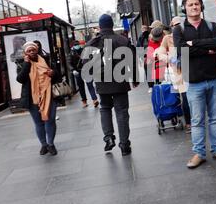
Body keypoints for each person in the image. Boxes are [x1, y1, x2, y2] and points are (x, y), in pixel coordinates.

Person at [173, 0, 216, 169]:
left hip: (215, 79)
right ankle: (199, 153)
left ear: (201, 6)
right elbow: (181, 52)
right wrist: (206, 48)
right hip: (194, 82)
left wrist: (194, 44)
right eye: (190, 4)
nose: (194, 7)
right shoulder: (179, 30)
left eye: (197, 4)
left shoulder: (211, 25)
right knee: (198, 119)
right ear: (185, 8)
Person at [84, 14, 139, 156]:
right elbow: (132, 61)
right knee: (122, 112)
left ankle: (108, 137)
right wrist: (135, 78)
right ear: (112, 25)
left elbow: (86, 65)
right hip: (120, 81)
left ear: (100, 26)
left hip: (102, 82)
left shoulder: (92, 43)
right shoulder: (122, 40)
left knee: (105, 108)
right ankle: (125, 144)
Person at [16, 41, 59, 156]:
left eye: (33, 50)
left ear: (37, 50)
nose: (31, 52)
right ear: (25, 52)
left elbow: (58, 76)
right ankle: (43, 145)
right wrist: (26, 64)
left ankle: (50, 144)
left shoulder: (46, 60)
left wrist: (53, 73)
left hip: (49, 95)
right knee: (39, 123)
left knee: (50, 120)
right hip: (32, 98)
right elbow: (20, 79)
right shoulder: (21, 63)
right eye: (29, 51)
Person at [155, 16, 191, 132]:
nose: (177, 27)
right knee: (185, 97)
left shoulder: (189, 34)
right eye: (175, 25)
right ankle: (189, 122)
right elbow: (159, 52)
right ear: (171, 26)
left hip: (194, 69)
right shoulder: (168, 38)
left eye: (179, 24)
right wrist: (169, 58)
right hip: (180, 72)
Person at [68, 40, 99, 108]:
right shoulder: (71, 53)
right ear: (73, 46)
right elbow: (69, 63)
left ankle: (94, 100)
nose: (77, 46)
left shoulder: (84, 51)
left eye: (78, 44)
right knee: (81, 87)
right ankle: (84, 101)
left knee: (90, 85)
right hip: (77, 72)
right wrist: (73, 70)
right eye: (76, 45)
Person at [146, 25, 165, 93]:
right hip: (158, 68)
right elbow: (150, 55)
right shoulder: (151, 41)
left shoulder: (166, 38)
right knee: (161, 89)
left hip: (168, 68)